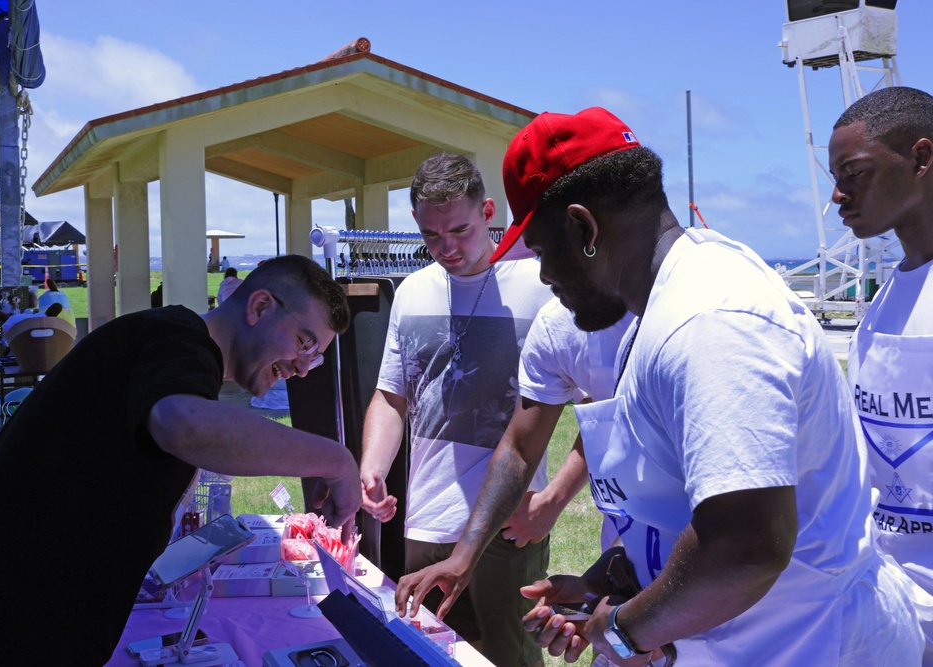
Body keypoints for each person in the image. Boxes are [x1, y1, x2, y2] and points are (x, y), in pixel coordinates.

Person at [494, 106, 925, 665]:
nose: (544, 276)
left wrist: (625, 632)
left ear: (584, 228)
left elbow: (743, 546)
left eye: (542, 252)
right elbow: (683, 507)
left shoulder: (711, 320)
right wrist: (613, 578)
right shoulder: (666, 308)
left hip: (810, 647)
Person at [0, 255, 361, 665]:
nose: (304, 368)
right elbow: (184, 425)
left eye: (316, 355)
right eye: (304, 343)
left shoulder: (176, 349)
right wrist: (336, 460)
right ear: (261, 306)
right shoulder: (177, 338)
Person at [359, 152, 553, 667]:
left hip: (509, 523)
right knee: (428, 653)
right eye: (430, 235)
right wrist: (373, 467)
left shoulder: (540, 288)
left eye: (460, 231)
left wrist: (553, 499)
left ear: (488, 211)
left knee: (510, 658)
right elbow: (392, 396)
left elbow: (603, 408)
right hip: (426, 518)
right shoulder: (411, 292)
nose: (446, 248)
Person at [394, 298, 632, 620]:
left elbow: (710, 527)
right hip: (633, 566)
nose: (544, 271)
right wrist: (603, 584)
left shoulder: (692, 315)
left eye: (546, 252)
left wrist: (636, 627)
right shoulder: (555, 321)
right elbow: (521, 448)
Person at [831, 85, 933, 664]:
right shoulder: (887, 296)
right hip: (887, 605)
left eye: (856, 173)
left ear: (921, 158)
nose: (839, 196)